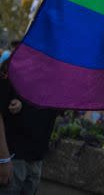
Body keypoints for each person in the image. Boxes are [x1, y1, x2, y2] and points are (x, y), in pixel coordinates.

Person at [0, 58, 59, 195]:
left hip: (36, 160)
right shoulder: (14, 65)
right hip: (13, 160)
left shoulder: (56, 72)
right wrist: (3, 159)